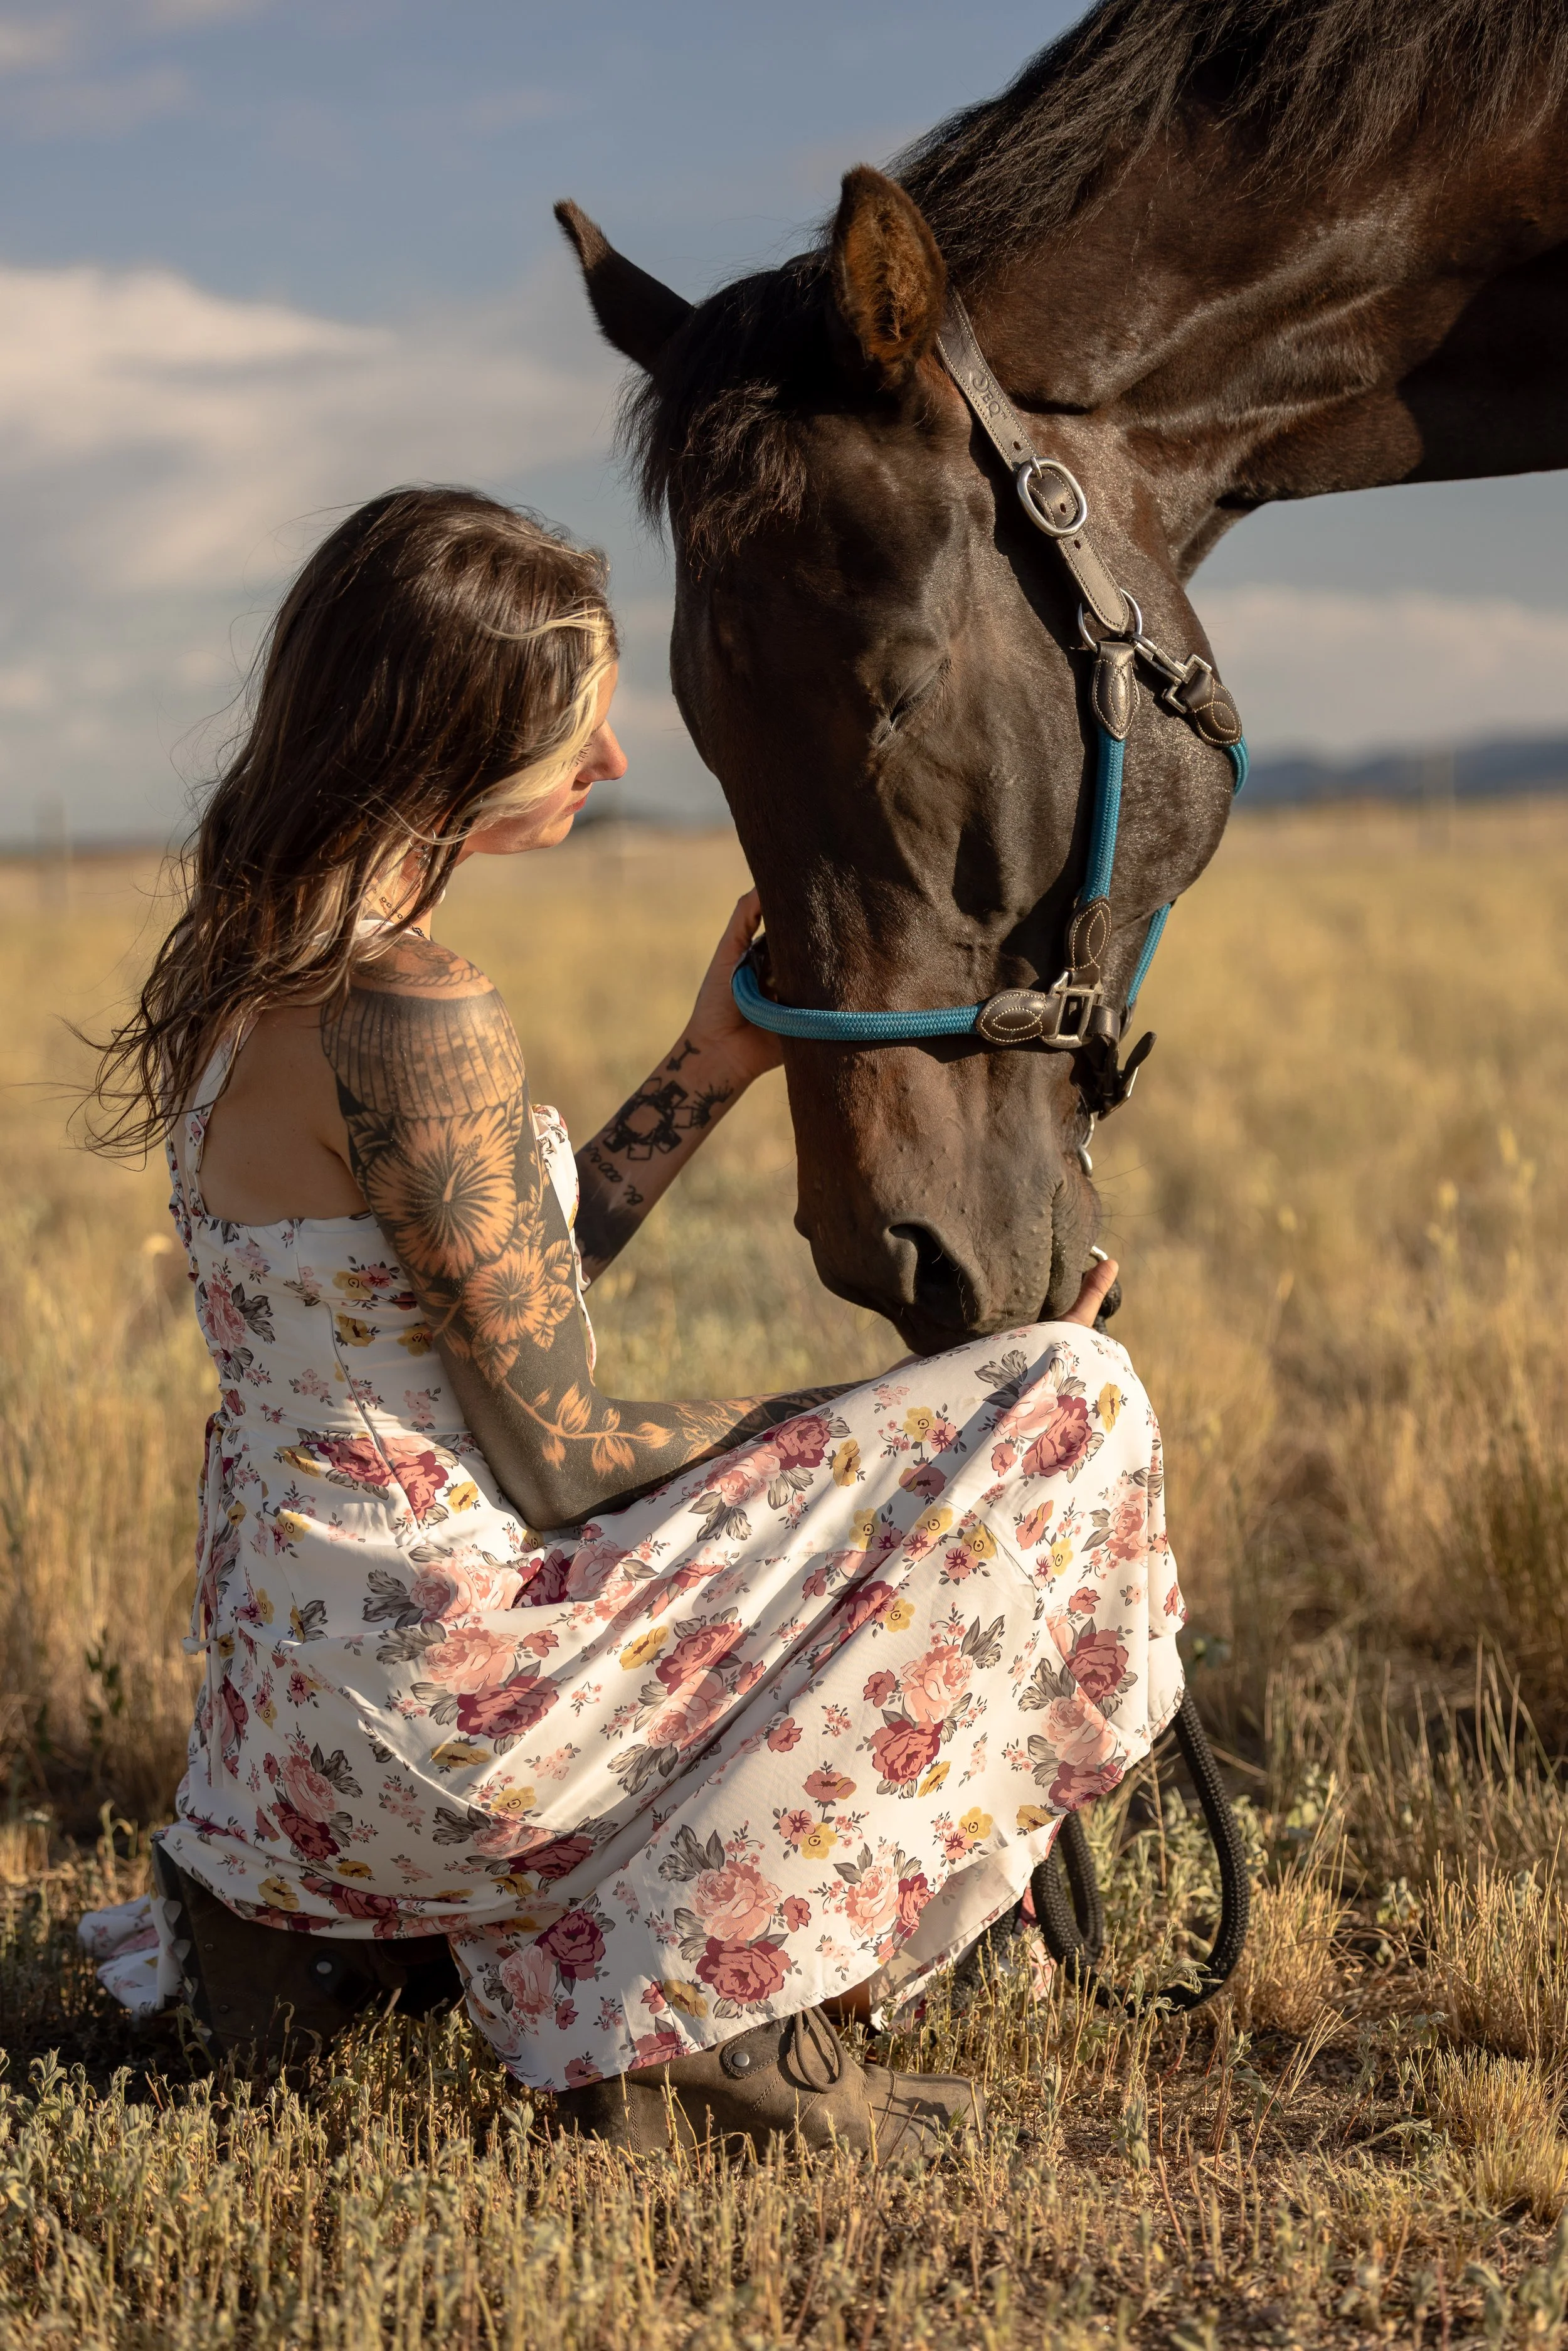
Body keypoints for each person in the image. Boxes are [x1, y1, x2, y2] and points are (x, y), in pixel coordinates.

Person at [85, 485, 1185, 2159]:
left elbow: (465, 1305)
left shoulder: (248, 978)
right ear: (449, 741)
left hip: (290, 1728)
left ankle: (318, 1940)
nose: (609, 762)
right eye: (571, 723)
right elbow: (551, 1444)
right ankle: (707, 2003)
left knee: (960, 1425)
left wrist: (701, 1072)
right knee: (1065, 1402)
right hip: (443, 1698)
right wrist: (919, 1414)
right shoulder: (411, 1005)